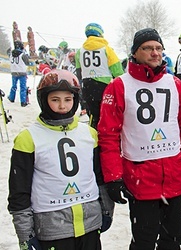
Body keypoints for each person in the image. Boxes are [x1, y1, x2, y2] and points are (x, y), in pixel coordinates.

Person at [97, 28, 181, 250]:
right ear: (135, 52)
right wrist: (113, 177)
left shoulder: (174, 84)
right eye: (148, 48)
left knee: (173, 238)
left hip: (173, 177)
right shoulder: (119, 85)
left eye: (159, 48)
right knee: (144, 240)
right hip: (140, 178)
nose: (155, 53)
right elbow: (108, 136)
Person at [7, 69, 115, 250]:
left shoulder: (89, 134)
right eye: (55, 100)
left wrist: (106, 210)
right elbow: (19, 192)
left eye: (68, 99)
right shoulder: (28, 138)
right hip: (52, 229)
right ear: (44, 100)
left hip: (89, 225)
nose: (62, 106)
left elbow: (99, 178)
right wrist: (25, 234)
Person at [75, 22, 124, 129]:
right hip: (104, 87)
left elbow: (79, 72)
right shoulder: (107, 49)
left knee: (93, 114)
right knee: (107, 113)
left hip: (87, 87)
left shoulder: (80, 51)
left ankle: (93, 135)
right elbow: (117, 70)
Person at [8, 40, 29, 107]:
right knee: (23, 87)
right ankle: (23, 102)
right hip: (22, 72)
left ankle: (11, 98)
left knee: (14, 86)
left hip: (14, 72)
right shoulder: (23, 54)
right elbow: (27, 63)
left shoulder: (11, 54)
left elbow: (8, 52)